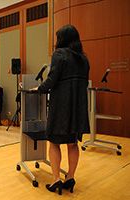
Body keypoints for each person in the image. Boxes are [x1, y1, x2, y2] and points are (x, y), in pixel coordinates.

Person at [31, 25, 90, 195]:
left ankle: (56, 179)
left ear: (62, 39)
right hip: (78, 107)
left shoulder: (60, 54)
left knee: (54, 142)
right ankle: (70, 177)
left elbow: (52, 79)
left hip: (61, 106)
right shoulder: (84, 59)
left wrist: (39, 89)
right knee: (73, 143)